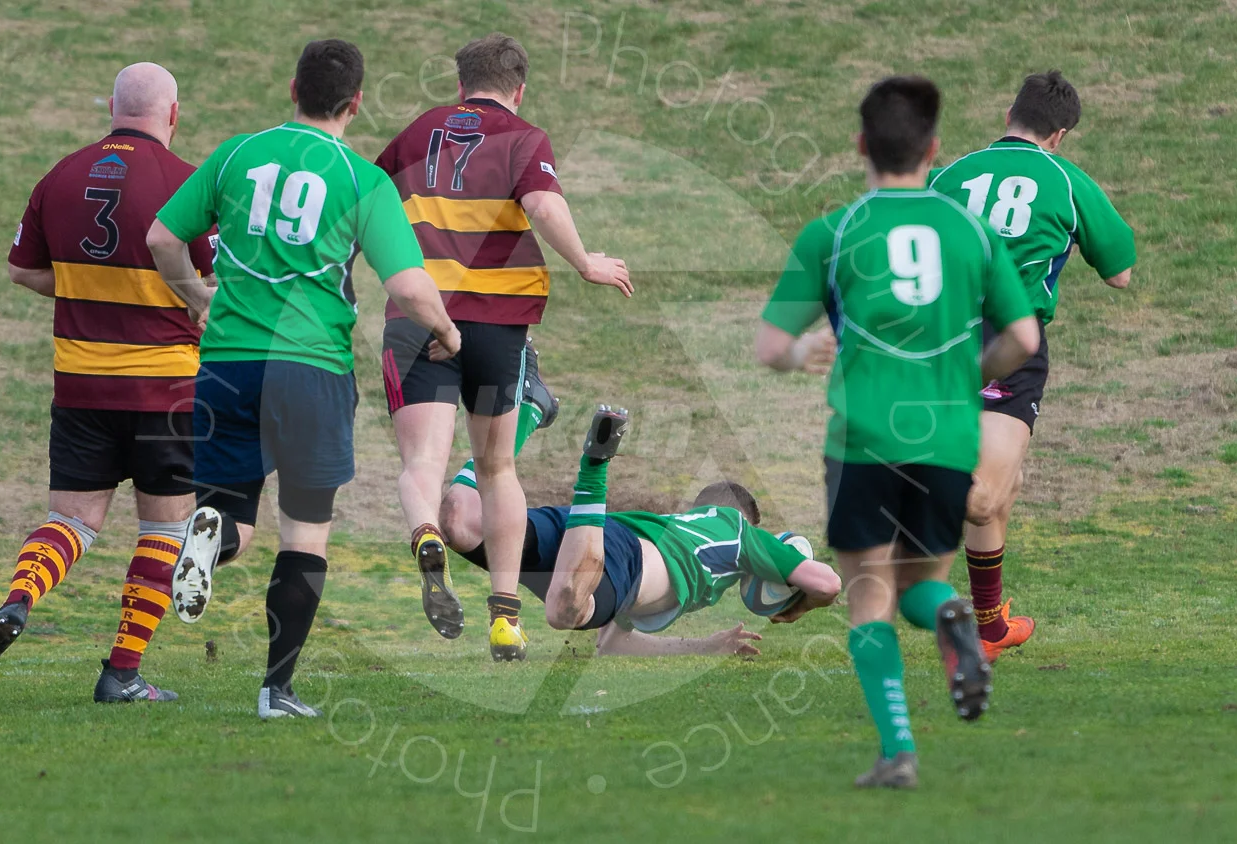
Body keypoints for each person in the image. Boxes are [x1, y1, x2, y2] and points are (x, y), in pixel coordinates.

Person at [145, 40, 460, 719]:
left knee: (234, 513)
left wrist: (200, 299)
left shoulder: (234, 154)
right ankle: (275, 690)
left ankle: (212, 537)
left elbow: (162, 240)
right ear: (356, 103)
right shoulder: (361, 180)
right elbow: (407, 287)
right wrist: (448, 332)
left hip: (228, 364)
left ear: (291, 88)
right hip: (311, 369)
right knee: (305, 533)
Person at [754, 76, 1041, 789]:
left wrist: (799, 353)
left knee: (867, 593)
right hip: (947, 437)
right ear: (935, 149)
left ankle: (897, 753)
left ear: (861, 146)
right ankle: (954, 620)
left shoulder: (835, 231)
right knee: (924, 582)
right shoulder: (969, 230)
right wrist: (969, 375)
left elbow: (770, 346)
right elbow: (1024, 338)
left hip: (863, 439)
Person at [0, 63, 215, 703]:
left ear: (111, 107)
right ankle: (121, 673)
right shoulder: (188, 184)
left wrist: (87, 286)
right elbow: (210, 288)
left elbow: (24, 272)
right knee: (165, 531)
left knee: (70, 521)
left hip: (80, 385)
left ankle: (19, 600)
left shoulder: (61, 176)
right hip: (166, 389)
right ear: (173, 114)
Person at [373, 33, 632, 662]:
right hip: (496, 325)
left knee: (422, 469)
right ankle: (505, 616)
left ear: (460, 84)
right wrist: (586, 263)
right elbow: (542, 204)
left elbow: (368, 209)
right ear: (519, 89)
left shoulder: (416, 133)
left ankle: (426, 537)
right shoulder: (524, 136)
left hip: (419, 320)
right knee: (496, 470)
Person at [928, 71, 1137, 661]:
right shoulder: (1067, 180)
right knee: (977, 495)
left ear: (1007, 114)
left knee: (1005, 484)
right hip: (1007, 342)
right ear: (1061, 134)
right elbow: (1120, 273)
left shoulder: (948, 175)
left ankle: (990, 626)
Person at [438, 407, 841, 655]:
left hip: (593, 534)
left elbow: (612, 644)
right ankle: (594, 471)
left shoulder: (679, 533)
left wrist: (705, 646)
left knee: (459, 523)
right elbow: (826, 583)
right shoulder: (739, 533)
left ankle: (527, 413)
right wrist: (797, 607)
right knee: (563, 614)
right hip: (620, 559)